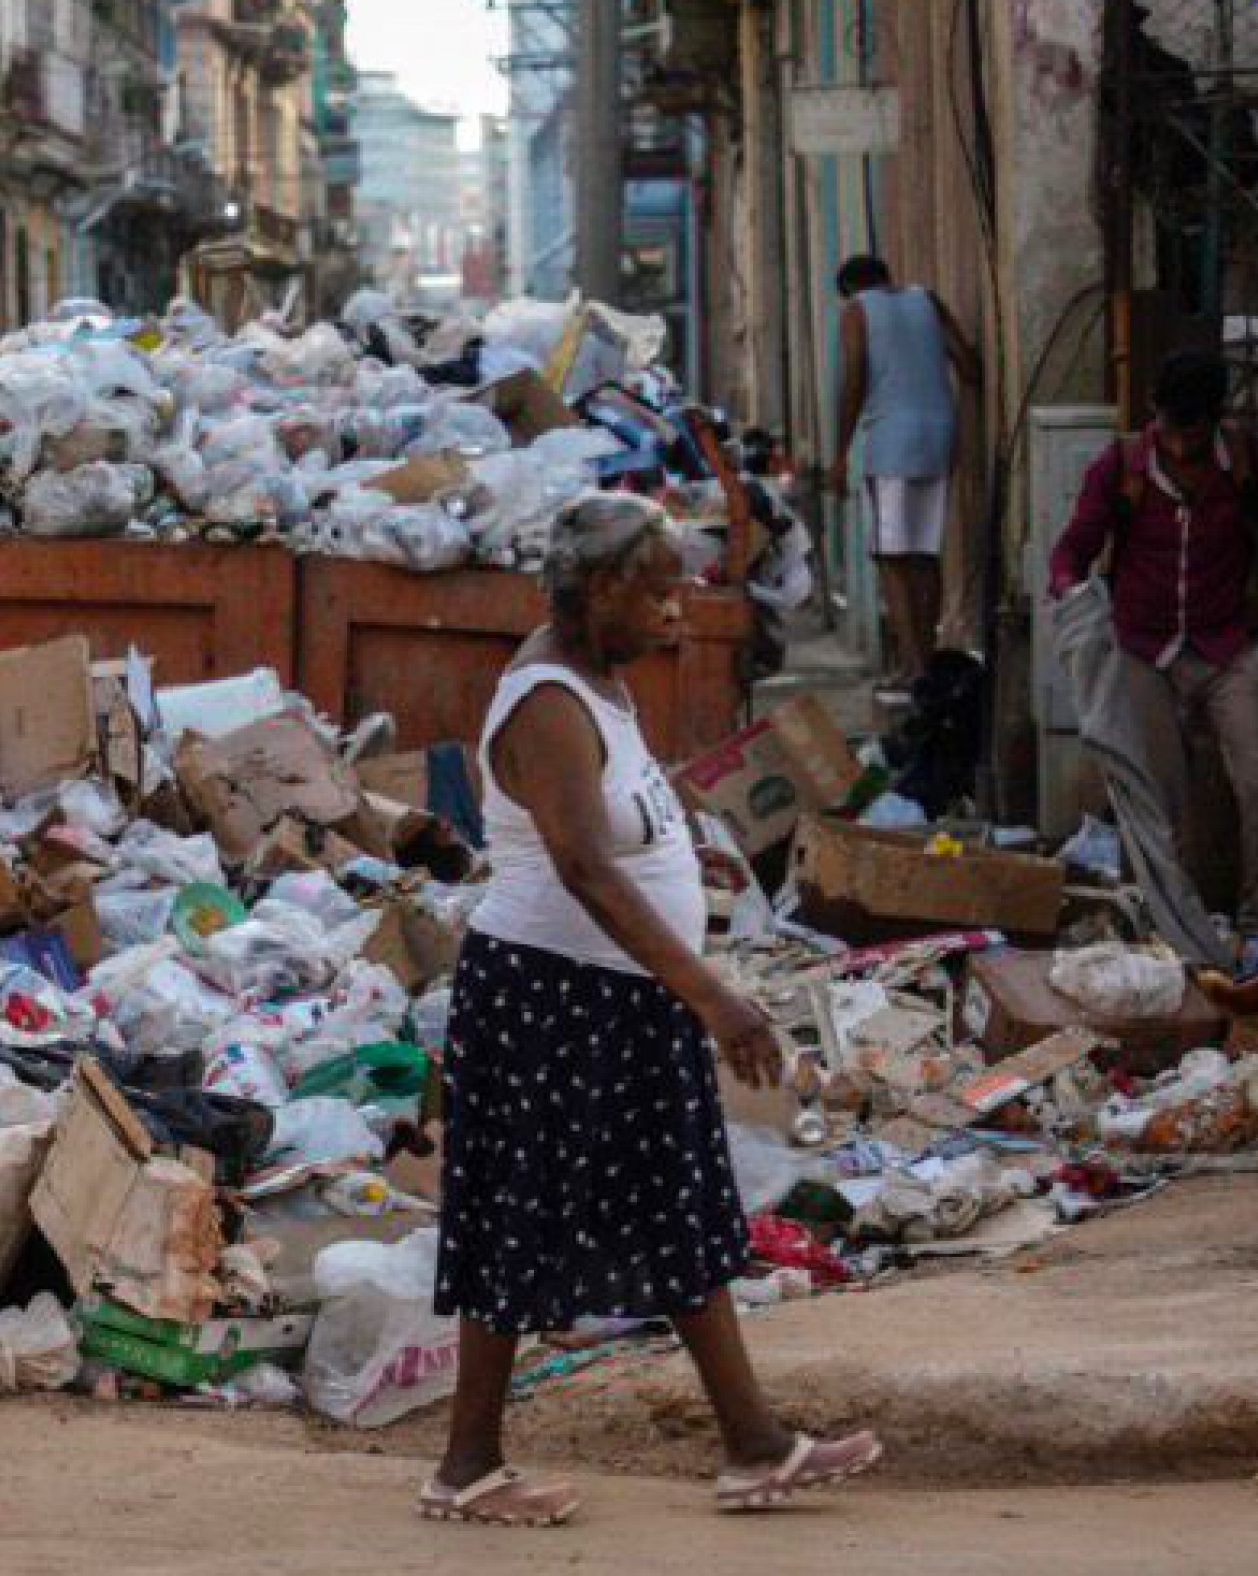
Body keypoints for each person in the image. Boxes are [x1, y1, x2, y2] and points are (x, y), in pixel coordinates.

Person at [422, 493, 882, 1528]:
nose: (677, 611)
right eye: (658, 592)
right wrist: (712, 996)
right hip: (548, 997)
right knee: (518, 1213)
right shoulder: (547, 700)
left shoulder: (602, 681)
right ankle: (464, 1467)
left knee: (679, 1207)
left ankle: (753, 1444)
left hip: (619, 996)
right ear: (597, 590)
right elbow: (584, 866)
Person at [1048, 349, 1258, 932]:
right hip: (1143, 648)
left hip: (1226, 647)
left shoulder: (1245, 464)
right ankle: (1165, 925)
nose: (1180, 443)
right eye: (1171, 427)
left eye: (1193, 430)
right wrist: (1071, 594)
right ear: (1155, 414)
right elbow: (1072, 549)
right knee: (1156, 796)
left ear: (1214, 420)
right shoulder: (1120, 467)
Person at [826, 255, 979, 693]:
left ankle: (913, 666)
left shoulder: (857, 310)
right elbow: (969, 366)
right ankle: (926, 657)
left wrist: (841, 452)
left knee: (890, 555)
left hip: (892, 438)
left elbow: (855, 378)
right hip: (940, 434)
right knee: (925, 552)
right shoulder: (926, 299)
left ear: (850, 289)